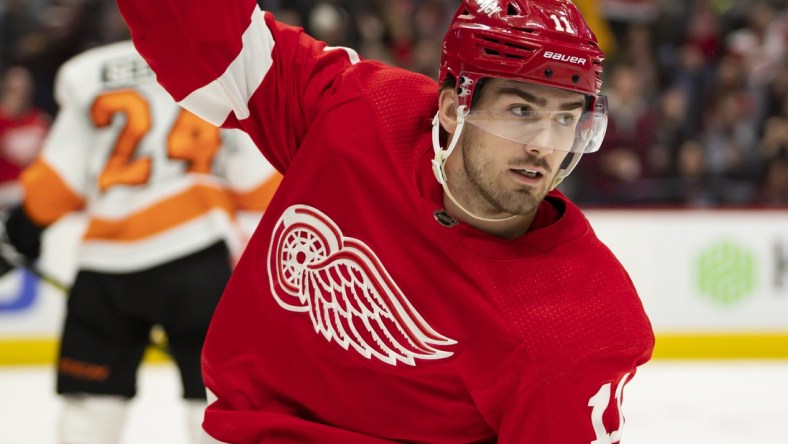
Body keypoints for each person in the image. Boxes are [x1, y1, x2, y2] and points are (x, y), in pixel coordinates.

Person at [117, 0, 655, 442]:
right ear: (452, 107)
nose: (544, 146)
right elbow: (207, 38)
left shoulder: (582, 320)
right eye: (521, 110)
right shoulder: (360, 112)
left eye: (566, 118)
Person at [0, 40, 281, 443]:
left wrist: (20, 234)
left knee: (90, 408)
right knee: (213, 400)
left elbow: (58, 180)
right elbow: (257, 182)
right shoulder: (215, 59)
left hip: (106, 270)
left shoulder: (87, 71)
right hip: (198, 260)